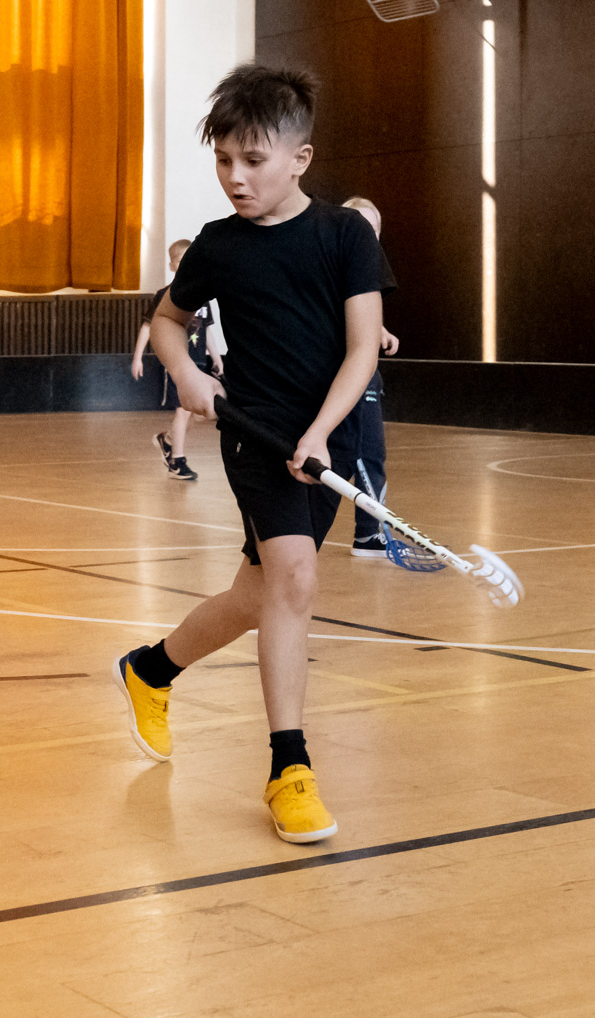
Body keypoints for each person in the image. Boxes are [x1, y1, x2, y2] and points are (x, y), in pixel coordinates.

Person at [115, 64, 388, 844]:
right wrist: (187, 372)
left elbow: (364, 347)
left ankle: (151, 669)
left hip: (323, 437)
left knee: (258, 592)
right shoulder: (219, 246)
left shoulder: (345, 236)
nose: (236, 177)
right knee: (296, 576)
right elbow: (167, 320)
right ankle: (288, 768)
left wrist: (319, 433)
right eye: (224, 160)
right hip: (254, 432)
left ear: (300, 157)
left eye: (254, 161)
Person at [131, 238, 225, 481]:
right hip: (178, 365)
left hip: (200, 363)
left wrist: (216, 358)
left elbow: (208, 330)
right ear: (172, 266)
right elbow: (148, 326)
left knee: (201, 410)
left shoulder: (203, 295)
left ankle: (169, 440)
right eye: (179, 262)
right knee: (184, 410)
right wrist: (138, 357)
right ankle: (177, 461)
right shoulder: (165, 295)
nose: (185, 266)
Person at [340, 196, 401, 558]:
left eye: (373, 230)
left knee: (368, 452)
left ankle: (368, 532)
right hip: (348, 375)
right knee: (365, 451)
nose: (368, 237)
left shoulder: (367, 271)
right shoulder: (336, 265)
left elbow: (360, 312)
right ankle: (368, 534)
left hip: (365, 372)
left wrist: (380, 330)